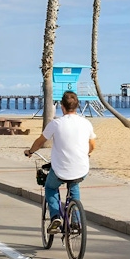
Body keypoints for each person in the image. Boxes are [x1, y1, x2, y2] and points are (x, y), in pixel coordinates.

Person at [24, 91, 96, 233]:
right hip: (82, 168)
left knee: (50, 188)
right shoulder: (86, 123)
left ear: (62, 106)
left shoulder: (55, 124)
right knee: (74, 186)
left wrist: (30, 152)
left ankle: (56, 216)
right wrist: (86, 154)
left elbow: (40, 141)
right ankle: (76, 222)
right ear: (77, 106)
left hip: (60, 170)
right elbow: (92, 145)